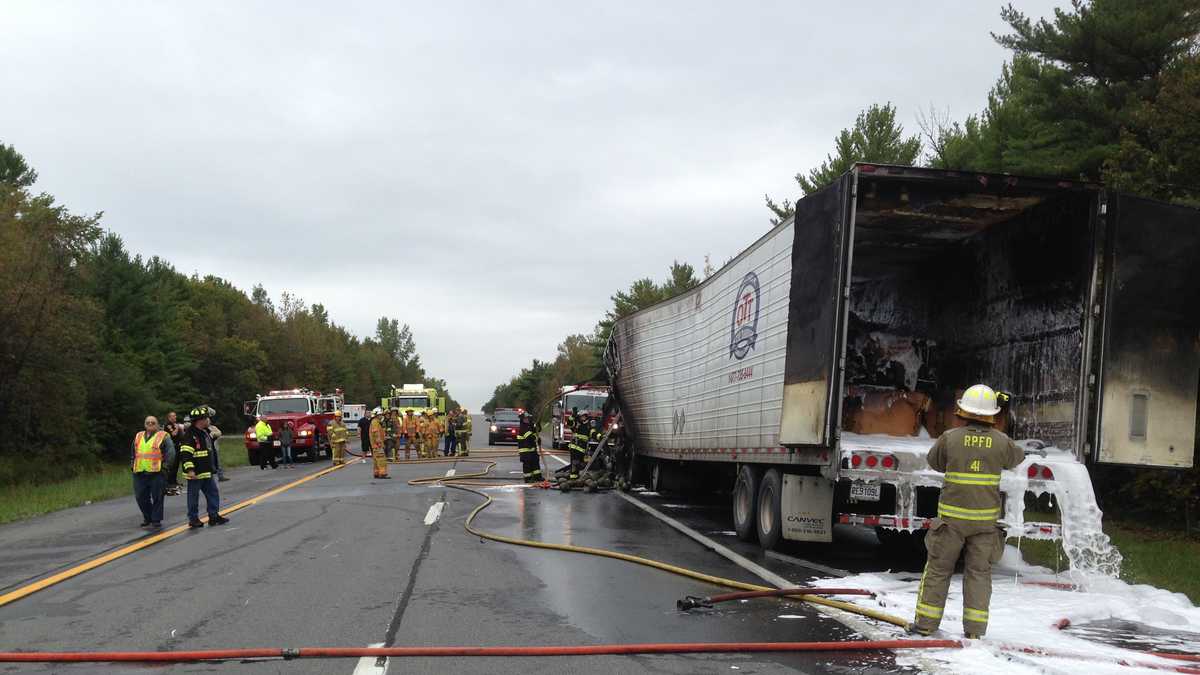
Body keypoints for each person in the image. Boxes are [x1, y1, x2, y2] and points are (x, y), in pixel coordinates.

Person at [910, 384, 1025, 639]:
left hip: (951, 523)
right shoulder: (1002, 442)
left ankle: (926, 625)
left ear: (962, 411)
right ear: (992, 415)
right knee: (979, 575)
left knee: (938, 570)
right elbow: (1017, 458)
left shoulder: (950, 438)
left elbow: (935, 462)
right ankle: (974, 631)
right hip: (985, 526)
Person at [179, 406, 230, 528]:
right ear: (200, 420)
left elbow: (212, 443)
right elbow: (185, 455)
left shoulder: (205, 432)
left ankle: (213, 516)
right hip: (195, 473)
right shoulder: (190, 436)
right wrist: (190, 470)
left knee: (213, 493)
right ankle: (193, 519)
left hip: (207, 471)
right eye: (207, 418)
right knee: (193, 497)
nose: (208, 420)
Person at [131, 415, 174, 528]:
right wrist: (132, 465)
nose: (150, 424)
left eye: (153, 422)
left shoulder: (163, 436)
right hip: (139, 472)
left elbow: (171, 453)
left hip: (157, 472)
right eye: (148, 422)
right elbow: (133, 452)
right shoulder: (138, 435)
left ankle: (156, 519)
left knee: (157, 497)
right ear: (144, 424)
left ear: (158, 424)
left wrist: (165, 468)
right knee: (140, 497)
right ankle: (148, 517)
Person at [162, 411, 185, 496]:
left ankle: (174, 481)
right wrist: (177, 428)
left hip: (179, 446)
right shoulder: (168, 425)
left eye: (175, 416)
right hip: (173, 447)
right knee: (173, 465)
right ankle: (170, 482)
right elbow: (173, 434)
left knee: (177, 465)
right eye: (173, 416)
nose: (175, 417)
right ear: (169, 417)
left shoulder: (175, 424)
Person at [516, 412, 542, 483]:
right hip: (525, 451)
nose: (527, 419)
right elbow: (529, 437)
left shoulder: (529, 425)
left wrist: (538, 423)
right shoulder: (523, 427)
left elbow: (537, 430)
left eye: (528, 418)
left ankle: (537, 477)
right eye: (526, 418)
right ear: (523, 419)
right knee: (527, 465)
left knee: (535, 463)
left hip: (532, 450)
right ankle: (528, 478)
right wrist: (537, 439)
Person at [368, 407, 391, 479]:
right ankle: (382, 473)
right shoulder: (375, 422)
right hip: (378, 445)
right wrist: (380, 443)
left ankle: (377, 473)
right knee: (381, 459)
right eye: (380, 415)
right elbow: (376, 434)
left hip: (375, 445)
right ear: (376, 415)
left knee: (376, 460)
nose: (382, 416)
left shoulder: (375, 422)